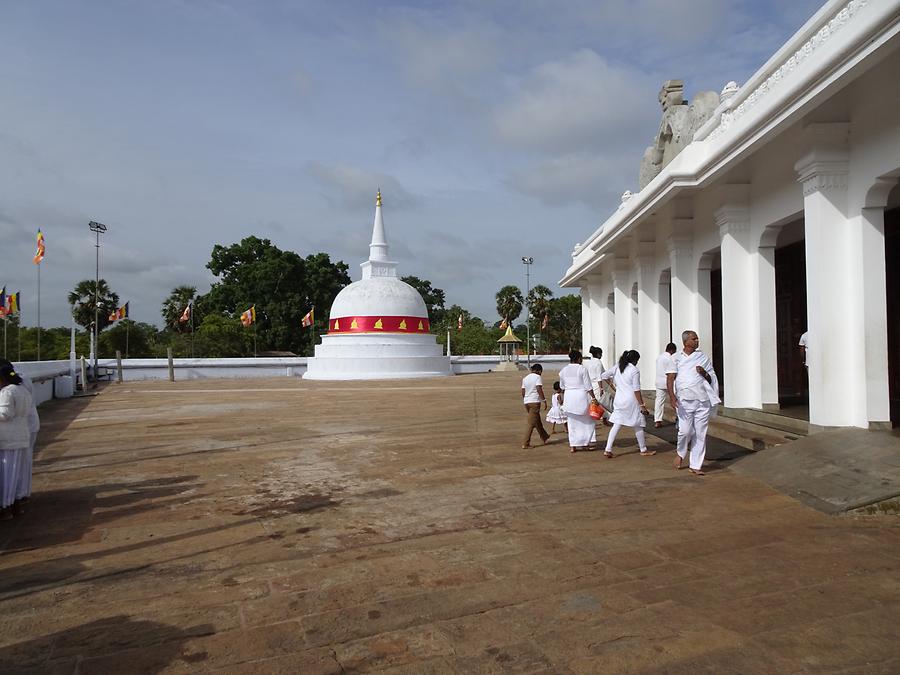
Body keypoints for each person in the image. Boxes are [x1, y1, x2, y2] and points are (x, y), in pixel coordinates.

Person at [667, 330, 720, 476]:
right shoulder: (676, 358)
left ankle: (696, 465)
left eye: (697, 338)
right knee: (685, 431)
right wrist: (672, 397)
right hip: (684, 401)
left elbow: (711, 379)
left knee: (700, 433)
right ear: (685, 342)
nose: (697, 341)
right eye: (694, 339)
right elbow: (671, 378)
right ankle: (681, 453)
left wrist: (704, 373)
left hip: (702, 401)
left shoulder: (702, 357)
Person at [0, 359, 39, 509]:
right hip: (23, 431)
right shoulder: (22, 385)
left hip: (11, 436)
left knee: (9, 470)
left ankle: (11, 502)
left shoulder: (8, 391)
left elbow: (5, 413)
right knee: (20, 465)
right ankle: (20, 497)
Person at [600, 350, 653, 458]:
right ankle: (643, 449)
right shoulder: (634, 370)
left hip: (619, 399)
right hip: (631, 401)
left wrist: (614, 387)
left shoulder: (618, 366)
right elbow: (636, 390)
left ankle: (608, 449)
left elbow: (603, 375)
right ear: (635, 360)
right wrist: (642, 405)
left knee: (617, 424)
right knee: (638, 424)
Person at [558, 349, 597, 452]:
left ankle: (573, 445)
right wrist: (593, 398)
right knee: (586, 422)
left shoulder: (563, 370)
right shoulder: (582, 369)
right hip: (581, 396)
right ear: (579, 359)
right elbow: (588, 386)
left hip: (569, 397)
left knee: (571, 423)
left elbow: (562, 386)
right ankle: (585, 443)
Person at [521, 363, 550, 448]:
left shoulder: (525, 378)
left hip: (527, 402)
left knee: (536, 420)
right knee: (531, 423)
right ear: (539, 371)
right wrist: (544, 400)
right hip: (534, 402)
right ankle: (525, 443)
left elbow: (523, 391)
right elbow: (538, 388)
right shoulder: (538, 377)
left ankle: (544, 436)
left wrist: (525, 399)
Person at [586, 346, 612, 426]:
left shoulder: (589, 362)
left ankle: (597, 417)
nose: (602, 355)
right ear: (598, 354)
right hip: (597, 385)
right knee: (603, 403)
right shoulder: (598, 362)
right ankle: (604, 418)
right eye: (601, 354)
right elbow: (600, 376)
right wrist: (601, 388)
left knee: (593, 402)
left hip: (590, 385)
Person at [654, 343, 678, 428]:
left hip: (659, 382)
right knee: (676, 400)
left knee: (659, 402)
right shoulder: (670, 358)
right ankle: (679, 417)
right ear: (672, 350)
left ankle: (657, 420)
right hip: (669, 382)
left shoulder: (659, 357)